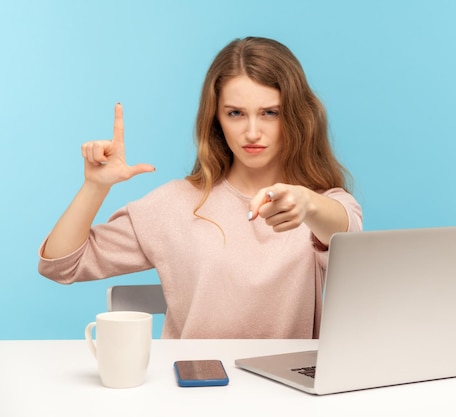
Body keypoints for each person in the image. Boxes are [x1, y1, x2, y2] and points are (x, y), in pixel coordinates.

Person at [38, 37, 363, 339]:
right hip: (192, 390)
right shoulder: (174, 204)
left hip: (288, 394)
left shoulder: (322, 207)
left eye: (270, 113)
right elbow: (61, 264)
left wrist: (306, 204)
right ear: (216, 119)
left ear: (294, 116)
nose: (252, 132)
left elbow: (346, 233)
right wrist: (95, 186)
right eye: (235, 113)